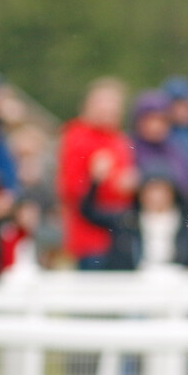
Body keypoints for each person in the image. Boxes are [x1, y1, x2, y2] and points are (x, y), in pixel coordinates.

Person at [56, 77, 138, 270]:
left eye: (114, 105)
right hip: (90, 239)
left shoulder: (119, 140)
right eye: (103, 103)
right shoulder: (76, 136)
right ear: (87, 106)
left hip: (119, 236)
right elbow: (71, 189)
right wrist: (105, 181)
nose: (109, 110)